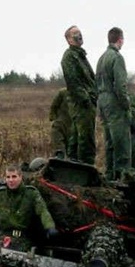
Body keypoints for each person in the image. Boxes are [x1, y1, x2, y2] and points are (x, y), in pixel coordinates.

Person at [96, 26, 131, 182]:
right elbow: (120, 86)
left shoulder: (101, 58)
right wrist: (126, 104)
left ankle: (110, 175)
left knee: (109, 141)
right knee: (121, 141)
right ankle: (122, 176)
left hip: (102, 103)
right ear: (120, 40)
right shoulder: (117, 57)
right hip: (114, 102)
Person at [60, 25, 98, 165]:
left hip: (88, 102)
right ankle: (86, 167)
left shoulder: (81, 55)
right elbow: (73, 83)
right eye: (75, 34)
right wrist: (86, 99)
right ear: (69, 40)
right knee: (85, 138)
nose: (79, 35)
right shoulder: (69, 57)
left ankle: (74, 165)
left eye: (80, 32)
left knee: (77, 137)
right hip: (81, 104)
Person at [49, 88, 75, 159]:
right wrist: (53, 117)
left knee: (71, 147)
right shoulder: (63, 92)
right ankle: (60, 154)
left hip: (74, 124)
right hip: (61, 122)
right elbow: (54, 105)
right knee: (57, 137)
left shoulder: (82, 94)